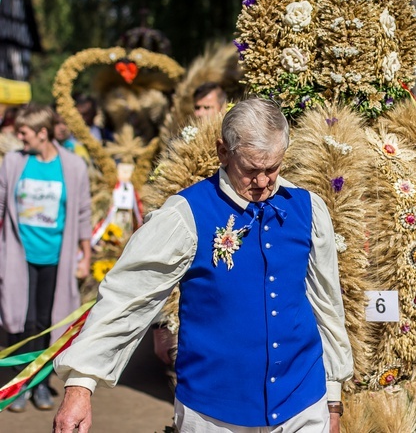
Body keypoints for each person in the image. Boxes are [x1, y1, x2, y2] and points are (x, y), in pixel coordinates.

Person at [53, 97, 353, 433]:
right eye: (251, 170)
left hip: (303, 404)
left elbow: (328, 308)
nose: (264, 182)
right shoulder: (184, 215)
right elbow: (127, 297)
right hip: (212, 414)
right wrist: (81, 384)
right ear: (223, 152)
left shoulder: (310, 208)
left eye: (274, 168)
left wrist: (332, 399)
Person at [0, 104, 92, 412]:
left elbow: (82, 213)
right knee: (24, 321)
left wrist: (85, 255)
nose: (19, 139)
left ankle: (40, 383)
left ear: (42, 133)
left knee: (47, 322)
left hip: (57, 258)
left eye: (24, 133)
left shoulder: (73, 166)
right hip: (18, 256)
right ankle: (21, 386)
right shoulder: (13, 162)